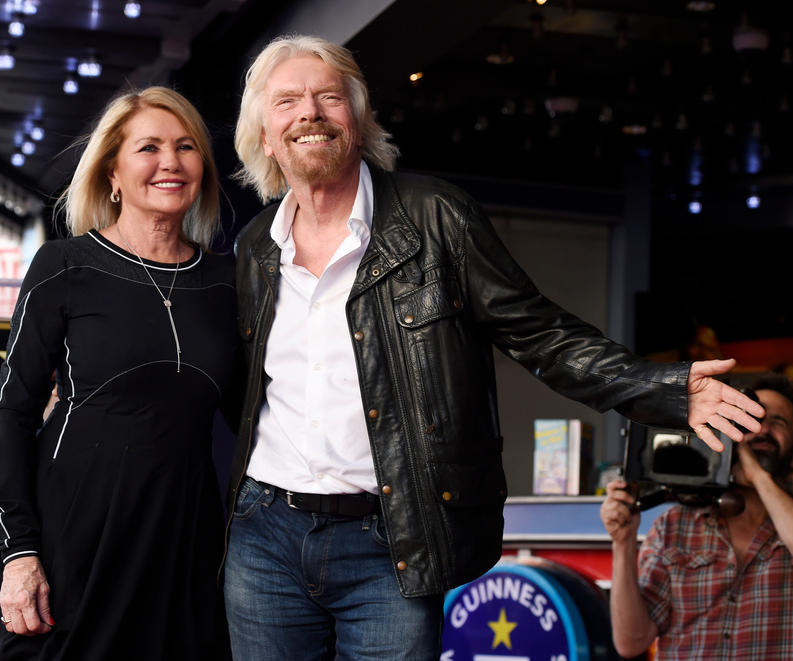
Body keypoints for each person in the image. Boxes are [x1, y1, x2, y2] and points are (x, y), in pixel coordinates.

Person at [223, 34, 765, 661]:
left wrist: (662, 389)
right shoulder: (254, 247)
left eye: (329, 97)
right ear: (265, 134)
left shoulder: (435, 215)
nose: (310, 112)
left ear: (358, 118)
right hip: (264, 535)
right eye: (287, 101)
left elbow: (539, 332)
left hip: (391, 538)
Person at [0, 86, 239, 660]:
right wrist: (18, 551)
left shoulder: (228, 282)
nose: (170, 161)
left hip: (180, 549)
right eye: (149, 147)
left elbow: (259, 420)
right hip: (71, 539)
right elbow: (13, 414)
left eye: (186, 146)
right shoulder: (65, 267)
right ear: (113, 173)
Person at [601, 372, 793, 659]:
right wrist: (623, 543)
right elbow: (632, 642)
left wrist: (756, 475)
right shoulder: (673, 526)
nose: (762, 430)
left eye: (777, 423)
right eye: (751, 420)